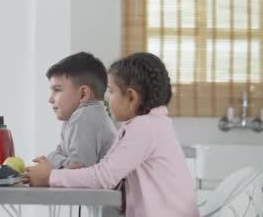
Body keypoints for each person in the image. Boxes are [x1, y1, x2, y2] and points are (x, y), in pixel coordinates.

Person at [25, 52, 199, 217]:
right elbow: (108, 171)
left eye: (112, 91)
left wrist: (50, 177)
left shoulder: (145, 127)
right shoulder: (148, 125)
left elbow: (104, 176)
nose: (107, 98)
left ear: (131, 97)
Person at [43, 52, 117, 170]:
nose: (50, 99)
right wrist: (56, 159)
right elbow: (62, 156)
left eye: (57, 90)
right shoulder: (74, 117)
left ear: (83, 94)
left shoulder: (85, 117)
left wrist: (51, 159)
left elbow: (77, 170)